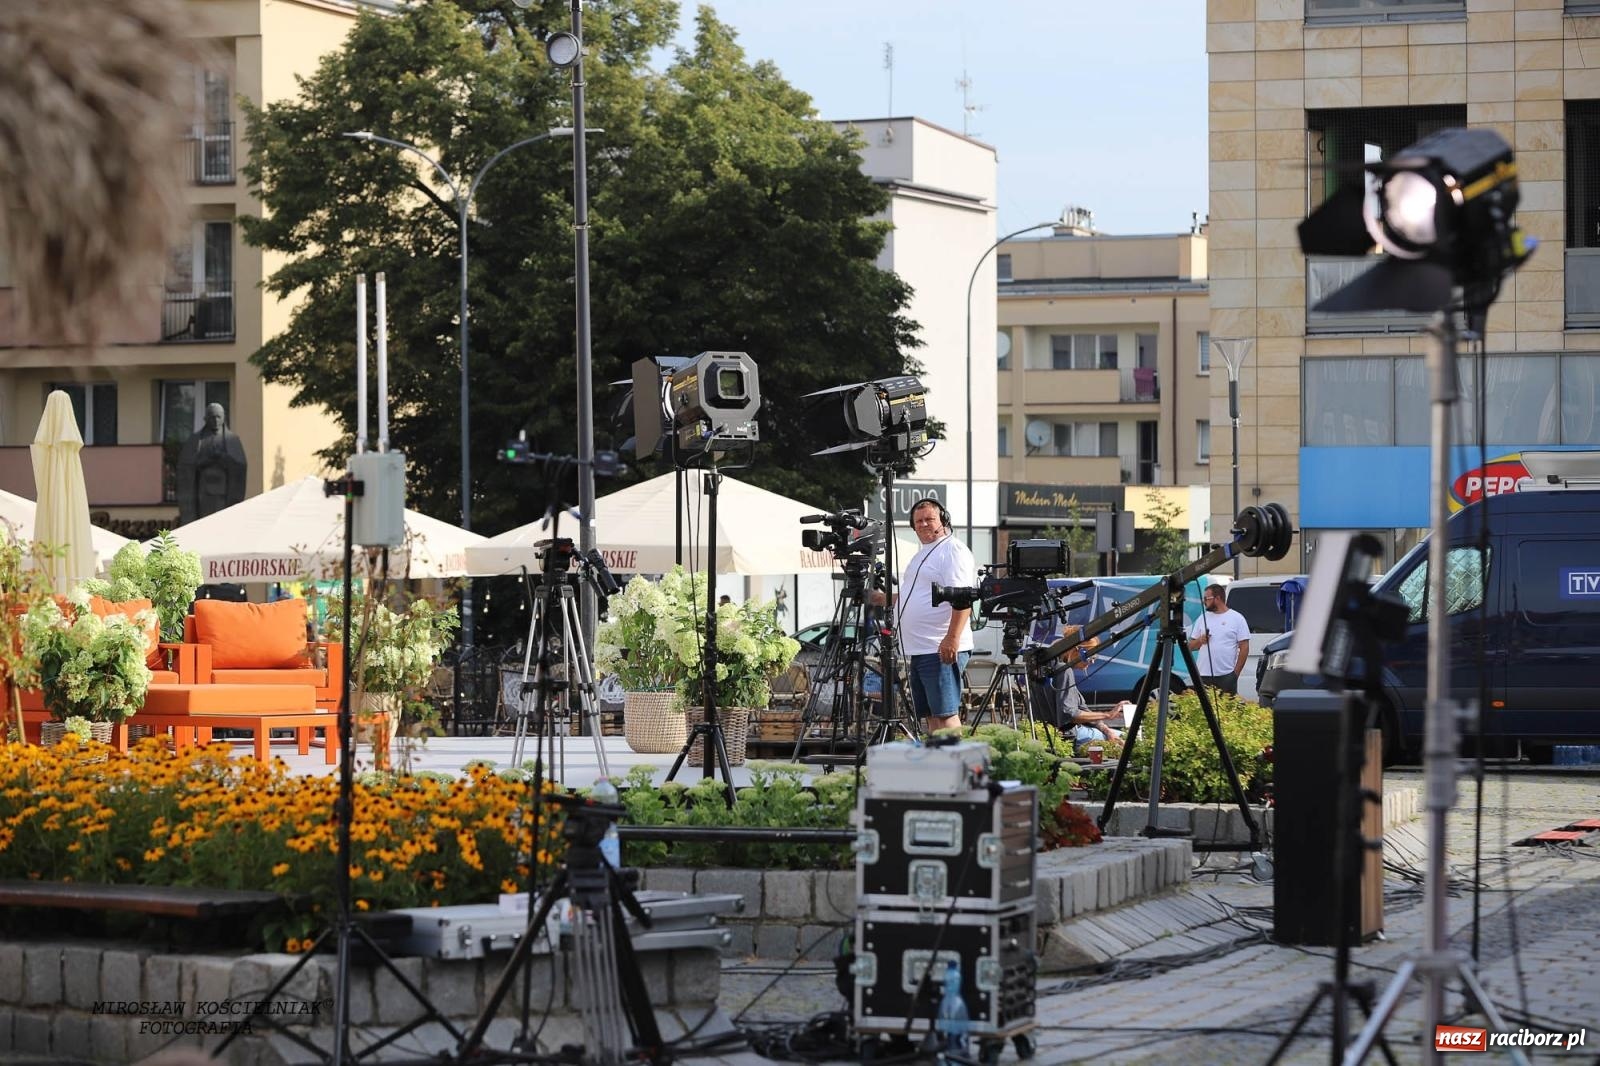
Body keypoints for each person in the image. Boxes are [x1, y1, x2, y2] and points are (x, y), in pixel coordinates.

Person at [894, 499, 976, 734]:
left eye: (929, 519)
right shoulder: (923, 554)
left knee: (945, 716)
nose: (923, 524)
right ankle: (939, 757)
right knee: (931, 716)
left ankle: (957, 757)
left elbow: (963, 597)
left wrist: (952, 638)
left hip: (939, 646)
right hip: (921, 649)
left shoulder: (951, 550)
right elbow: (915, 595)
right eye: (918, 521)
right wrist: (879, 598)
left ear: (944, 520)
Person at [175, 402, 247, 524]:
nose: (215, 420)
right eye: (212, 417)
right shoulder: (196, 439)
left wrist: (223, 459)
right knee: (204, 524)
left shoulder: (232, 440)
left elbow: (239, 465)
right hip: (203, 493)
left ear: (224, 418)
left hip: (223, 493)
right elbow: (186, 465)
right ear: (206, 418)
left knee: (222, 523)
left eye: (218, 417)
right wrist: (205, 461)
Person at [1187, 584, 1250, 695]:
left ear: (1218, 598)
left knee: (1228, 705)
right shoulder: (1202, 618)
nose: (1204, 602)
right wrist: (1200, 640)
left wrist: (1235, 674)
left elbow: (1244, 648)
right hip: (1203, 675)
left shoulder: (1237, 618)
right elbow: (1190, 647)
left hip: (1226, 675)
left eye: (1207, 598)